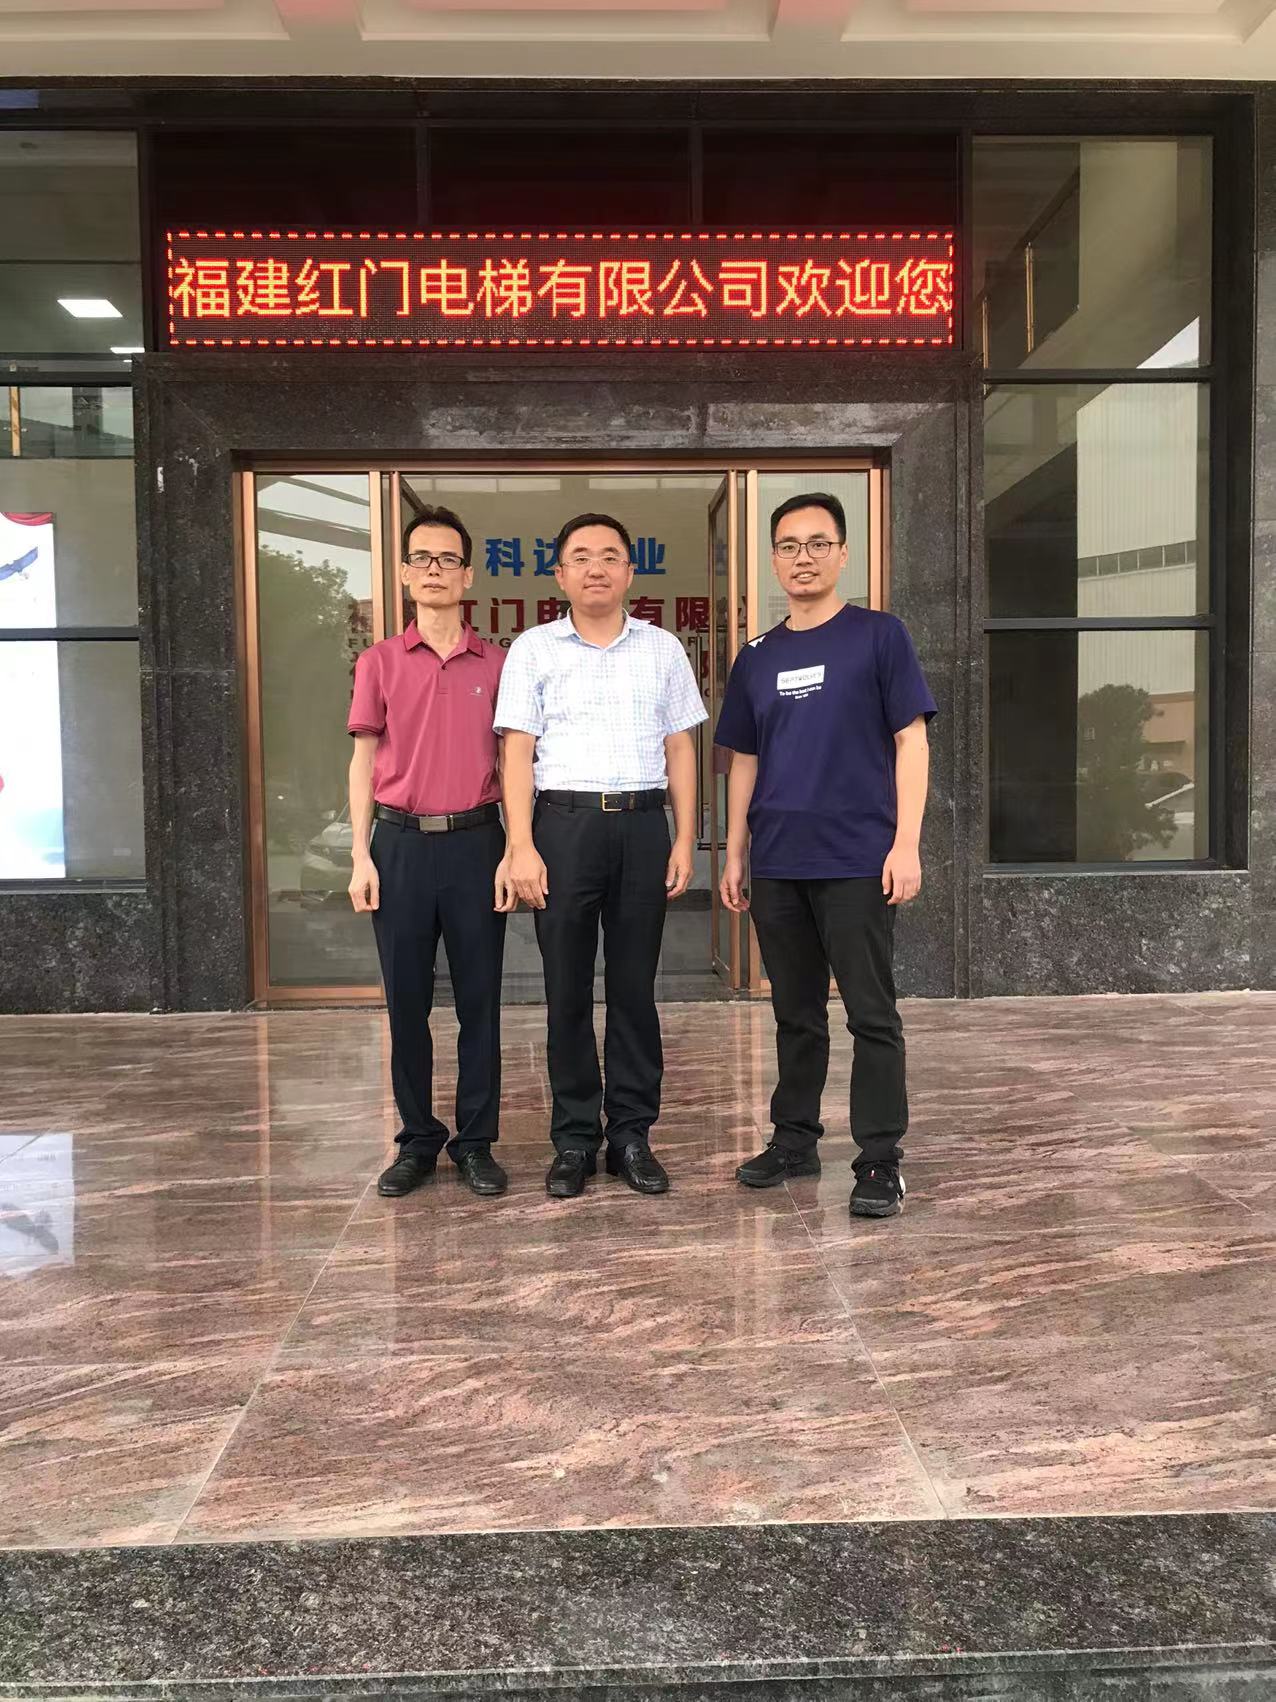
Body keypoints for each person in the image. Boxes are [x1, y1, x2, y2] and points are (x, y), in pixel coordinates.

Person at [716, 492, 936, 1219]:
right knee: (795, 1012)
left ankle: (879, 1160)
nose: (802, 558)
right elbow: (744, 759)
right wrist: (736, 852)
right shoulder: (757, 657)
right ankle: (794, 1140)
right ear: (773, 559)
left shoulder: (879, 636)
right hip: (779, 861)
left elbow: (911, 741)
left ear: (843, 554)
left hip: (857, 860)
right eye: (788, 546)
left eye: (817, 544)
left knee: (871, 1014)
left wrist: (906, 843)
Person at [494, 512, 707, 1199]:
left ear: (629, 571)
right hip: (563, 829)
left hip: (642, 826)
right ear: (560, 574)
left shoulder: (662, 649)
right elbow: (517, 752)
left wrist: (683, 836)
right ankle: (575, 1138)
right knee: (566, 989)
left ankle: (632, 1135)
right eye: (581, 557)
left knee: (635, 988)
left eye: (610, 556)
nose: (596, 568)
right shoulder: (533, 649)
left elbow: (681, 746)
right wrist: (521, 845)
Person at [347, 505, 514, 1200]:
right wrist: (360, 855)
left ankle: (475, 1142)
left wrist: (517, 848)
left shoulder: (500, 664)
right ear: (404, 572)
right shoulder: (379, 662)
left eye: (448, 559)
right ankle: (417, 1139)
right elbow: (362, 761)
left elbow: (516, 764)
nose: (434, 570)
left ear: (468, 575)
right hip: (400, 847)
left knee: (481, 1003)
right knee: (406, 1003)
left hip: (478, 843)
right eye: (422, 558)